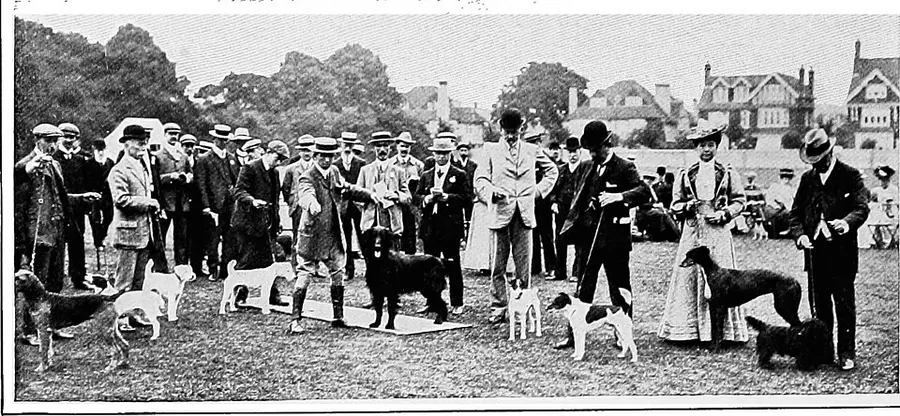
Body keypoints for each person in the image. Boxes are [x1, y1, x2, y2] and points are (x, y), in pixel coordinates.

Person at [555, 120, 649, 350]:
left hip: (615, 240)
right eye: (590, 149)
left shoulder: (625, 167)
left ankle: (622, 335)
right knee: (583, 288)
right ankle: (573, 334)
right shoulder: (586, 167)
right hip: (589, 239)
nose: (593, 153)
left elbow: (644, 191)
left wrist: (619, 197)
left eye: (596, 148)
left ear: (608, 144)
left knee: (619, 289)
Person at [657, 120, 748, 345]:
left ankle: (721, 333)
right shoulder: (686, 173)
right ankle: (687, 331)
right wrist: (687, 206)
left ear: (717, 146)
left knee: (721, 279)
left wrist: (725, 213)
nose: (706, 149)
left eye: (710, 145)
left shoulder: (727, 172)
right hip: (693, 232)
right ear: (695, 147)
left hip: (718, 233)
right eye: (702, 145)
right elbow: (675, 204)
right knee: (689, 276)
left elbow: (740, 200)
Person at [789, 128, 869, 371]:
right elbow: (795, 213)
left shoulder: (850, 175)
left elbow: (861, 208)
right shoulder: (807, 179)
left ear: (830, 153)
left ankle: (846, 353)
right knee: (820, 305)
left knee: (844, 305)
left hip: (842, 253)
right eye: (812, 161)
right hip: (815, 252)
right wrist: (801, 235)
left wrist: (846, 223)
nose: (817, 165)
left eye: (820, 160)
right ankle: (823, 352)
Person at [15, 124, 101, 344]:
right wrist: (22, 242)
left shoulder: (55, 164)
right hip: (38, 234)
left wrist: (81, 198)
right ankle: (29, 331)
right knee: (36, 285)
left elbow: (60, 197)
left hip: (57, 232)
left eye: (55, 141)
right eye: (48, 140)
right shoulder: (25, 166)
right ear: (37, 140)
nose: (52, 145)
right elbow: (19, 206)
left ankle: (51, 326)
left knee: (55, 282)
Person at [474, 108, 558, 324]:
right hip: (500, 212)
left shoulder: (532, 150)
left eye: (515, 132)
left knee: (524, 266)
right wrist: (492, 192)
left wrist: (537, 192)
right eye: (507, 132)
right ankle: (499, 306)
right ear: (501, 129)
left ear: (521, 129)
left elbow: (552, 171)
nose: (511, 136)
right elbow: (480, 179)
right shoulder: (490, 150)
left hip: (524, 214)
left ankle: (523, 307)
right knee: (497, 265)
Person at [287, 138, 377, 334]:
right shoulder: (307, 176)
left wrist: (369, 194)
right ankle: (295, 320)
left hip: (333, 234)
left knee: (337, 274)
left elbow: (347, 188)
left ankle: (338, 316)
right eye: (322, 156)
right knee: (305, 274)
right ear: (316, 156)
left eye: (330, 156)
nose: (326, 160)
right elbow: (305, 195)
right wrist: (312, 204)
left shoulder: (334, 172)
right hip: (312, 235)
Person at [231, 141, 291, 307]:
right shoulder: (250, 168)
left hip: (266, 224)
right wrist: (252, 201)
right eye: (278, 158)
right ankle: (239, 294)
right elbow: (239, 191)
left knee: (269, 261)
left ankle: (272, 295)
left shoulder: (274, 173)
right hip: (247, 223)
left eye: (282, 160)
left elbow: (275, 199)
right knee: (246, 259)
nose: (278, 163)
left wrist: (277, 220)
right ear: (268, 153)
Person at [416, 137, 472, 315]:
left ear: (450, 154)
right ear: (433, 154)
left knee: (453, 265)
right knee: (429, 266)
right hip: (430, 226)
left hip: (450, 227)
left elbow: (467, 199)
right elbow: (416, 197)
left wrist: (447, 197)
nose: (441, 157)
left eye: (444, 153)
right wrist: (426, 199)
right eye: (438, 153)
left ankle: (457, 302)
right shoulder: (426, 175)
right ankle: (432, 301)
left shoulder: (459, 174)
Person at [108, 125, 162, 296]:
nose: (143, 147)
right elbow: (121, 199)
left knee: (139, 282)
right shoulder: (119, 170)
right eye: (139, 143)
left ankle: (134, 310)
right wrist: (148, 202)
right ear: (126, 144)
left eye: (145, 143)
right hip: (128, 234)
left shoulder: (143, 167)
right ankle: (119, 312)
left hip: (144, 234)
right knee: (124, 283)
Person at [194, 124, 241, 281]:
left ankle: (225, 270)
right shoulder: (204, 159)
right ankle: (213, 269)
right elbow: (201, 184)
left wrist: (235, 195)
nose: (222, 142)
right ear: (214, 139)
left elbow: (236, 180)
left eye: (225, 140)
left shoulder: (232, 158)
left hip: (230, 205)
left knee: (229, 238)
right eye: (220, 139)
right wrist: (206, 206)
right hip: (214, 205)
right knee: (212, 239)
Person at [52, 122, 93, 289]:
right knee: (57, 244)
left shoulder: (80, 160)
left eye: (72, 137)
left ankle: (78, 277)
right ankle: (55, 280)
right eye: (66, 137)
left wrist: (86, 204)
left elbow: (85, 184)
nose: (69, 140)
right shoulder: (53, 159)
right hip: (58, 208)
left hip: (76, 210)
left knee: (77, 242)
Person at [356, 132, 411, 242]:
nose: (382, 149)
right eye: (378, 146)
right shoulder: (365, 170)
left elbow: (408, 198)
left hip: (392, 225)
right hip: (370, 224)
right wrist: (369, 198)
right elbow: (356, 196)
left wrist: (396, 195)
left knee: (392, 251)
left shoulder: (398, 172)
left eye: (385, 146)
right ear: (374, 149)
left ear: (390, 148)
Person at [154, 122, 193, 271]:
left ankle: (181, 268)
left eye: (176, 134)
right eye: (171, 134)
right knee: (161, 238)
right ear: (165, 135)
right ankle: (160, 268)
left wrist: (188, 178)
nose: (174, 137)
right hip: (165, 202)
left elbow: (191, 175)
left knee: (182, 239)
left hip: (182, 203)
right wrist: (170, 176)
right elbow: (155, 180)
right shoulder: (158, 156)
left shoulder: (183, 156)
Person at [550, 136, 583, 282]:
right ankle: (560, 272)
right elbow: (554, 189)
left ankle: (577, 272)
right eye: (570, 152)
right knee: (560, 241)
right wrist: (553, 202)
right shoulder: (561, 170)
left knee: (579, 242)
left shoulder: (584, 169)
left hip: (578, 210)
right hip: (562, 209)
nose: (572, 155)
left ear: (580, 152)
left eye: (575, 151)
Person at [282, 134, 317, 268]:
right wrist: (292, 202)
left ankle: (314, 267)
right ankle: (295, 267)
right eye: (303, 150)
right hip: (297, 208)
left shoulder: (317, 167)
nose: (306, 153)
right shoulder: (291, 168)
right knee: (297, 236)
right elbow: (286, 188)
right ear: (299, 152)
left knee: (314, 237)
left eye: (309, 150)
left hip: (314, 207)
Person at [525, 133, 557, 279]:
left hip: (544, 203)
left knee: (547, 236)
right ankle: (535, 266)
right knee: (533, 236)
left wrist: (551, 200)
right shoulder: (526, 160)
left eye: (536, 143)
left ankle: (551, 267)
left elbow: (552, 182)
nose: (534, 146)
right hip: (531, 203)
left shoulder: (546, 160)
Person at [335, 132, 367, 278]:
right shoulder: (335, 165)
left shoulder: (361, 163)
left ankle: (369, 268)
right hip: (343, 205)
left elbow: (363, 185)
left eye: (350, 144)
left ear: (353, 145)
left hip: (359, 205)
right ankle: (349, 269)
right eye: (345, 144)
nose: (347, 147)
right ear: (341, 145)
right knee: (345, 239)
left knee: (363, 236)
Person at [390, 131, 425, 254]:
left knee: (411, 236)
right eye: (402, 146)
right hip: (394, 205)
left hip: (411, 206)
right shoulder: (390, 164)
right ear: (397, 146)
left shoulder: (418, 165)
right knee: (395, 235)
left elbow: (423, 186)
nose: (404, 149)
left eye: (407, 146)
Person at [86, 138, 115, 267]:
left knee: (109, 217)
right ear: (94, 150)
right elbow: (86, 179)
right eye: (98, 150)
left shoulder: (110, 163)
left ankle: (102, 234)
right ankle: (97, 241)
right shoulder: (89, 163)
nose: (101, 152)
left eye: (102, 150)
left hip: (107, 196)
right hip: (94, 196)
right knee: (95, 219)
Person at [869, 165, 899, 248]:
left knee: (889, 226)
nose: (883, 181)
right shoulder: (876, 190)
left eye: (885, 179)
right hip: (879, 214)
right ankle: (877, 242)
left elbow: (895, 203)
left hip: (890, 214)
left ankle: (889, 242)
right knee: (875, 224)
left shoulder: (893, 189)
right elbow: (872, 201)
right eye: (881, 179)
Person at [764, 168, 796, 237]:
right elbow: (769, 200)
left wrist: (789, 207)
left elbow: (791, 201)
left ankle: (789, 230)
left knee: (792, 213)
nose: (787, 180)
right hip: (775, 209)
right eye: (784, 178)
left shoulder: (791, 189)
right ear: (781, 178)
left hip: (786, 209)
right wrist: (777, 206)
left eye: (789, 178)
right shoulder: (774, 187)